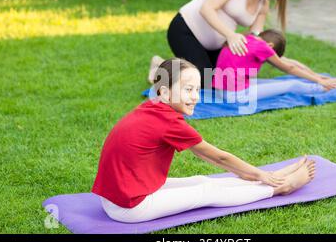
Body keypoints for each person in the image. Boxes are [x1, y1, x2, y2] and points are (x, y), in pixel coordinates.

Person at [93, 58, 315, 223]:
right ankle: (280, 187)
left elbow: (207, 156)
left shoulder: (153, 108)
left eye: (197, 90)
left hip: (117, 197)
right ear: (165, 92)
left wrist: (262, 174)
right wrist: (259, 174)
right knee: (206, 192)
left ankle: (274, 177)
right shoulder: (168, 122)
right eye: (188, 90)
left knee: (202, 180)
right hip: (129, 206)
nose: (196, 97)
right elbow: (218, 157)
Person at [148, 0, 301, 86]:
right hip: (186, 30)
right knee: (202, 80)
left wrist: (270, 54)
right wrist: (231, 35)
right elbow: (207, 8)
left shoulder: (264, 3)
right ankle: (160, 67)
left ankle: (175, 65)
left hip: (215, 47)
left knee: (222, 80)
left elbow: (255, 37)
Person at [212, 29, 336, 102]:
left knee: (276, 83)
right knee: (291, 84)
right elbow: (288, 68)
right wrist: (319, 81)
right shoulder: (262, 47)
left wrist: (315, 75)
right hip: (234, 96)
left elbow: (288, 61)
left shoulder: (249, 39)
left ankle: (333, 81)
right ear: (270, 45)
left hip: (222, 91)